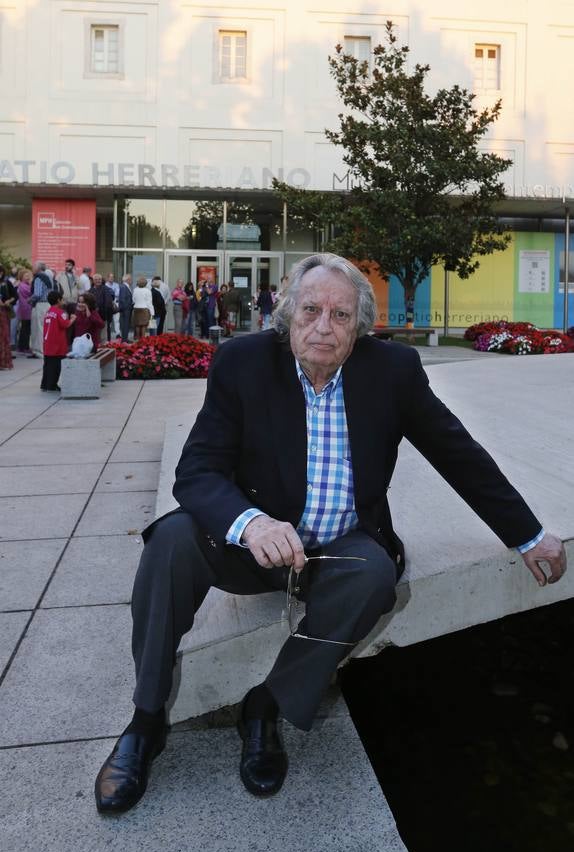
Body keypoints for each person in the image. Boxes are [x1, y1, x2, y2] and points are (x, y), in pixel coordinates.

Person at [94, 253, 566, 815]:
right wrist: (252, 525)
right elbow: (197, 472)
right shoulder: (242, 363)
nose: (323, 327)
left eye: (340, 316)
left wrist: (527, 534)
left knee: (375, 576)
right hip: (256, 548)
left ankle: (266, 707)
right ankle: (146, 720)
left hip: (337, 549)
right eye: (311, 310)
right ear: (288, 315)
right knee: (171, 539)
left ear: (359, 326)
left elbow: (457, 453)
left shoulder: (392, 372)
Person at [40, 290, 76, 391]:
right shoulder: (60, 312)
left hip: (48, 344)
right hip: (57, 344)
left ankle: (45, 384)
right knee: (56, 367)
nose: (63, 301)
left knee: (47, 365)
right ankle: (52, 385)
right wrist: (72, 319)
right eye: (62, 299)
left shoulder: (48, 311)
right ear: (58, 300)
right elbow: (66, 324)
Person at [29, 262, 54, 358]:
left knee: (39, 328)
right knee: (46, 328)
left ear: (38, 269)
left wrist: (29, 300)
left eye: (33, 267)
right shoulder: (48, 278)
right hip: (47, 304)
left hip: (40, 305)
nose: (32, 269)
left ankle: (39, 351)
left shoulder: (38, 278)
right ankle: (46, 350)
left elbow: (37, 294)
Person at [0, 265, 16, 369]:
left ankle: (4, 362)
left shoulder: (6, 282)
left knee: (4, 336)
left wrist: (8, 301)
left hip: (3, 312)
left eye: (0, 272)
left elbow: (15, 295)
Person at [16, 269, 33, 354]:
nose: (28, 277)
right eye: (26, 276)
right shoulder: (23, 285)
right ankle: (24, 347)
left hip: (25, 309)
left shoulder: (23, 284)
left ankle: (21, 346)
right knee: (26, 329)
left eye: (29, 276)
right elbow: (30, 292)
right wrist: (31, 284)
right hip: (26, 309)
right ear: (21, 277)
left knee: (24, 328)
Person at [117, 274, 133, 343]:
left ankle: (125, 338)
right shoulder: (124, 287)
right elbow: (122, 299)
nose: (131, 281)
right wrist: (126, 307)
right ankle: (124, 340)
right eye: (131, 279)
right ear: (128, 280)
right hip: (125, 309)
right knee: (125, 324)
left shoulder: (126, 286)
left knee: (126, 324)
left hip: (127, 309)